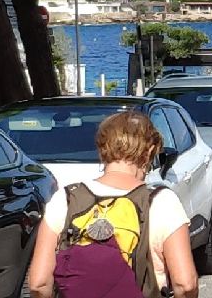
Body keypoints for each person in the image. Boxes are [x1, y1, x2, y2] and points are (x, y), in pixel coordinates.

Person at [28, 111, 199, 298]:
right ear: (149, 151)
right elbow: (185, 284)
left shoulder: (66, 199)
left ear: (102, 149)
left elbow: (39, 283)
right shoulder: (162, 202)